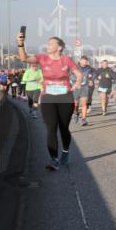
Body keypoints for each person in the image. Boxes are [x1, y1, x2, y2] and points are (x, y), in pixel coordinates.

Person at [16, 33, 83, 171]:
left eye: (51, 43)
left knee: (64, 128)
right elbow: (24, 58)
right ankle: (54, 159)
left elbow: (79, 74)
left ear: (59, 47)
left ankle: (65, 151)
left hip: (65, 98)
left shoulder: (67, 60)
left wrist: (77, 83)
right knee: (51, 128)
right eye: (48, 43)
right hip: (48, 98)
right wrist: (20, 43)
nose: (48, 45)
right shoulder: (42, 58)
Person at [74, 56, 95, 126]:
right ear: (80, 61)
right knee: (76, 104)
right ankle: (76, 112)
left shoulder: (89, 68)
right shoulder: (75, 67)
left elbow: (94, 73)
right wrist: (76, 82)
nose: (85, 63)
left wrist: (91, 80)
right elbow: (71, 75)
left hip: (85, 87)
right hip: (76, 87)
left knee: (84, 103)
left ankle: (83, 119)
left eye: (86, 62)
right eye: (83, 61)